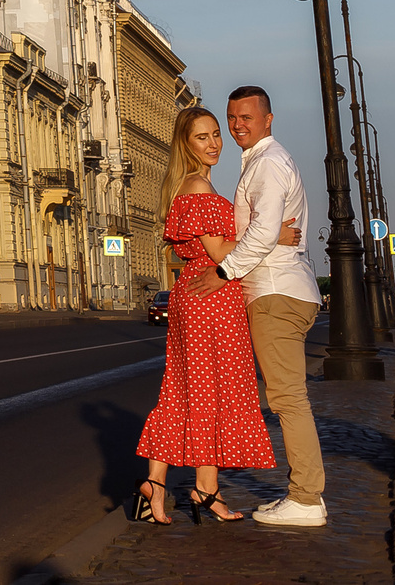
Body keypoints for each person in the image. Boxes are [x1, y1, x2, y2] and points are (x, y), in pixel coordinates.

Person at [182, 87, 326, 528]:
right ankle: (303, 495)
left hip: (274, 292)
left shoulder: (266, 163)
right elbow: (267, 231)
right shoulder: (262, 162)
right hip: (282, 289)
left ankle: (306, 498)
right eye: (233, 117)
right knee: (288, 396)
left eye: (247, 116)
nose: (238, 124)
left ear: (268, 118)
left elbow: (263, 234)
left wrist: (223, 272)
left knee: (288, 398)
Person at [132, 106, 276, 526]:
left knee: (185, 392)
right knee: (212, 392)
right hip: (210, 296)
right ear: (185, 143)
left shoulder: (190, 185)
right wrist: (273, 238)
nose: (214, 143)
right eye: (202, 137)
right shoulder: (198, 188)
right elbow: (219, 253)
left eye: (216, 135)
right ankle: (203, 489)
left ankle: (164, 486)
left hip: (194, 295)